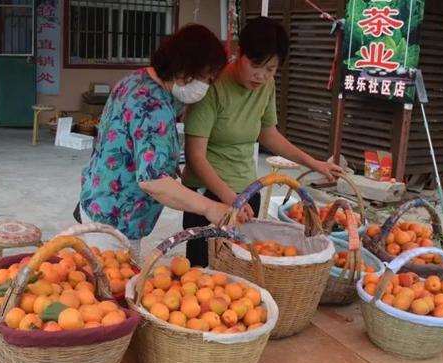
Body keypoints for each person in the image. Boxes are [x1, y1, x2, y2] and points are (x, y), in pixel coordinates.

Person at [181, 17, 343, 267]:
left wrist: (314, 163)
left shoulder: (266, 86)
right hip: (209, 196)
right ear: (239, 53)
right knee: (203, 274)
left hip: (247, 191)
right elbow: (195, 156)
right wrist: (229, 198)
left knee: (241, 273)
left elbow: (269, 134)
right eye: (256, 65)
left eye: (271, 69)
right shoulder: (214, 85)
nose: (261, 76)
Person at [76, 24, 231, 258]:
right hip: (113, 222)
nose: (205, 87)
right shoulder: (152, 106)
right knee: (112, 290)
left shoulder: (136, 79)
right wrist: (210, 207)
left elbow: (132, 144)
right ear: (184, 69)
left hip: (100, 200)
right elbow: (153, 182)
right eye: (205, 78)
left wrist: (168, 162)